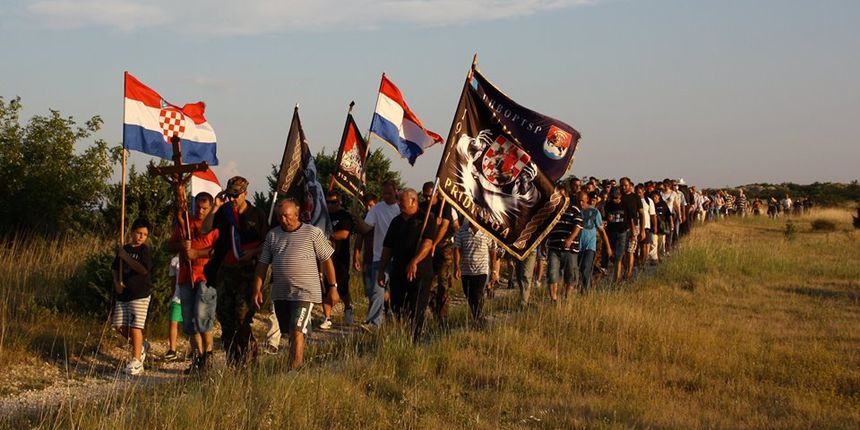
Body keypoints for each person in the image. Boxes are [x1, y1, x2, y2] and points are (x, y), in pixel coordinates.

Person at [253, 199, 336, 370]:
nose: (283, 219)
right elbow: (262, 264)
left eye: (287, 216)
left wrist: (333, 287)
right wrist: (257, 289)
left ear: (297, 215)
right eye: (280, 216)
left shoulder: (312, 233)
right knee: (289, 331)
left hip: (305, 291)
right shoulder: (273, 235)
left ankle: (295, 367)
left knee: (296, 328)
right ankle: (294, 360)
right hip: (281, 292)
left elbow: (327, 259)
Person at [202, 176, 268, 368]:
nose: (232, 199)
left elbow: (268, 243)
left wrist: (253, 252)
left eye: (236, 195)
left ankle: (250, 360)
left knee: (242, 318)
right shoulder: (223, 213)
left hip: (248, 272)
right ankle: (234, 361)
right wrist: (215, 206)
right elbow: (206, 229)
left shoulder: (257, 215)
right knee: (225, 318)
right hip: (225, 271)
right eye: (229, 195)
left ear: (245, 194)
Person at [167, 192, 219, 373]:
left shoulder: (215, 225)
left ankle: (209, 355)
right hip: (185, 276)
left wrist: (198, 253)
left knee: (202, 316)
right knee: (189, 322)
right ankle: (198, 356)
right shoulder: (185, 223)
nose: (201, 211)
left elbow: (218, 250)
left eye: (205, 208)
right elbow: (169, 246)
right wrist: (182, 245)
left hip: (205, 276)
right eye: (198, 206)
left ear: (211, 207)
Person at [378, 188, 436, 343]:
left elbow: (428, 243)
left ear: (413, 201)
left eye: (402, 201)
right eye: (399, 201)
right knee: (397, 307)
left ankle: (415, 340)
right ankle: (402, 337)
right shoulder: (396, 222)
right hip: (398, 271)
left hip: (420, 273)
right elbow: (387, 247)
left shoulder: (426, 219)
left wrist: (414, 261)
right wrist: (381, 270)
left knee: (416, 308)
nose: (399, 204)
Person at [352, 181, 401, 329]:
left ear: (395, 192)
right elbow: (366, 229)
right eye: (384, 193)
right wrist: (357, 218)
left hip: (398, 258)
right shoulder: (376, 209)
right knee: (376, 292)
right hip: (379, 257)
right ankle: (373, 323)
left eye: (389, 193)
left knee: (397, 292)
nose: (386, 196)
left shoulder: (401, 208)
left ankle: (397, 319)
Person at [112, 218, 153, 376]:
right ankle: (141, 345)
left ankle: (136, 360)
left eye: (144, 234)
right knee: (119, 325)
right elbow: (115, 268)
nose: (141, 236)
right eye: (138, 233)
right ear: (132, 232)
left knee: (136, 326)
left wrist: (126, 257)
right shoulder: (125, 248)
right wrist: (116, 282)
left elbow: (143, 270)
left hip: (140, 294)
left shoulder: (144, 251)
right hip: (124, 294)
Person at [419, 181, 454, 329]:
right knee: (429, 285)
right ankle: (435, 313)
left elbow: (445, 226)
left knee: (443, 283)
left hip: (443, 247)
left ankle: (443, 317)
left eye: (430, 196)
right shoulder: (422, 208)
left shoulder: (444, 205)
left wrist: (434, 243)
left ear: (436, 194)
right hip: (427, 249)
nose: (428, 199)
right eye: (425, 196)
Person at [453, 220, 498, 323]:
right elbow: (457, 248)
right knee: (469, 294)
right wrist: (456, 266)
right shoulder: (462, 231)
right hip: (466, 270)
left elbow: (492, 250)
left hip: (481, 269)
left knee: (478, 293)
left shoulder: (487, 231)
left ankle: (478, 319)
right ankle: (478, 316)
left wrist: (494, 270)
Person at [321, 192, 353, 328]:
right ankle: (327, 317)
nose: (329, 205)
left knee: (342, 287)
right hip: (324, 256)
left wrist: (328, 236)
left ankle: (348, 307)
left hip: (340, 257)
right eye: (327, 202)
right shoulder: (322, 216)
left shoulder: (345, 216)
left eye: (333, 202)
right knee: (325, 286)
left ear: (339, 202)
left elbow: (344, 234)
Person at [568, 191, 611, 293]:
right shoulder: (574, 211)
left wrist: (608, 247)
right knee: (575, 270)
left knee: (585, 268)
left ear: (587, 199)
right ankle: (576, 289)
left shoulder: (595, 212)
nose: (581, 203)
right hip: (576, 246)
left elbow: (602, 231)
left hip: (589, 246)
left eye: (583, 201)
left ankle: (585, 293)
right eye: (579, 201)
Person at [544, 185, 582, 301]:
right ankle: (554, 299)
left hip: (570, 248)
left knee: (570, 275)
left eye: (561, 195)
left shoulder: (574, 209)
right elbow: (545, 229)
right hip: (554, 247)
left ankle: (567, 298)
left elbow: (578, 226)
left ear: (566, 196)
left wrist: (570, 239)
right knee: (552, 274)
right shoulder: (551, 210)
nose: (559, 198)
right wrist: (543, 244)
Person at [620, 177, 645, 282]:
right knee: (623, 251)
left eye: (625, 185)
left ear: (630, 185)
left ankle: (629, 273)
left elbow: (642, 214)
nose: (624, 187)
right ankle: (625, 270)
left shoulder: (635, 197)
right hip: (621, 227)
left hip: (633, 227)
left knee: (630, 250)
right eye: (622, 185)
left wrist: (642, 230)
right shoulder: (619, 197)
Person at [165, 255, 182, 362]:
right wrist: (172, 294)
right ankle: (172, 349)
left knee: (191, 324)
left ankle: (195, 350)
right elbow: (172, 279)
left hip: (190, 296)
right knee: (173, 321)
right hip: (177, 296)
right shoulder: (175, 260)